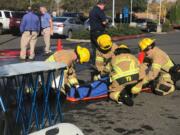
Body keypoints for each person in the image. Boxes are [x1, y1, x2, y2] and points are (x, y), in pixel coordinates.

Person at [89, 0, 108, 64]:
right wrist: (107, 22)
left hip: (92, 32)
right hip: (100, 32)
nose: (104, 7)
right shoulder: (100, 11)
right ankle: (101, 62)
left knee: (94, 47)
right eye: (104, 6)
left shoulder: (91, 11)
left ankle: (94, 62)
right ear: (101, 4)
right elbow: (104, 22)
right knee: (102, 47)